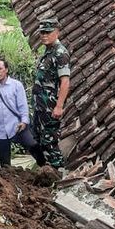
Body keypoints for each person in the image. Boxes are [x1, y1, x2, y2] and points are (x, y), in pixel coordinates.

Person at [0, 58, 46, 168]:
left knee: (33, 145)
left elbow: (23, 105)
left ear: (6, 69)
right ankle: (9, 181)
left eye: (0, 69)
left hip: (17, 125)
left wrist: (24, 122)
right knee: (5, 163)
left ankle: (45, 168)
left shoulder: (16, 85)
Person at [31, 17, 71, 169]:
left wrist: (59, 106)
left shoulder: (60, 53)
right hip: (40, 106)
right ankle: (44, 171)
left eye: (48, 32)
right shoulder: (48, 52)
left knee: (50, 142)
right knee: (38, 139)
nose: (44, 35)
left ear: (57, 32)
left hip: (50, 107)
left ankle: (58, 173)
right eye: (42, 32)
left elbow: (65, 82)